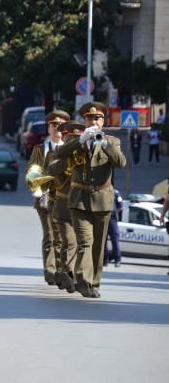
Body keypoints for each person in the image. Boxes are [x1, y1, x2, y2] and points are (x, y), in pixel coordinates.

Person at [54, 102, 127, 298]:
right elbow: (59, 153)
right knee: (85, 241)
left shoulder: (112, 141)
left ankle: (94, 282)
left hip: (103, 199)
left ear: (103, 121)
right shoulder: (78, 140)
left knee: (98, 245)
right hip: (79, 199)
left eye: (97, 118)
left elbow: (121, 162)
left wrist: (105, 145)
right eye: (89, 118)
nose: (93, 122)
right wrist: (80, 140)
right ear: (84, 121)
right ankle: (83, 280)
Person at [25, 110, 70, 286]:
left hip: (65, 198)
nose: (57, 128)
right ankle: (51, 272)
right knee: (50, 235)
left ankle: (63, 270)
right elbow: (31, 173)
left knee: (65, 238)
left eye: (60, 126)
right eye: (53, 125)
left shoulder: (70, 148)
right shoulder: (40, 150)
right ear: (49, 128)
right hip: (45, 198)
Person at [47, 121, 85, 294]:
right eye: (71, 137)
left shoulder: (86, 153)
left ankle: (71, 274)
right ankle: (67, 274)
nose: (74, 140)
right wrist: (67, 160)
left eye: (77, 138)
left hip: (83, 205)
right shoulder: (60, 153)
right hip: (63, 205)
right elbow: (51, 169)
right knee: (68, 242)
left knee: (81, 243)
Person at [104, 188, 123, 267]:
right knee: (103, 240)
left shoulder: (115, 192)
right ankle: (105, 260)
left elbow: (120, 206)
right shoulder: (102, 191)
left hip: (112, 218)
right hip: (103, 217)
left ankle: (117, 259)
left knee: (114, 239)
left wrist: (115, 213)